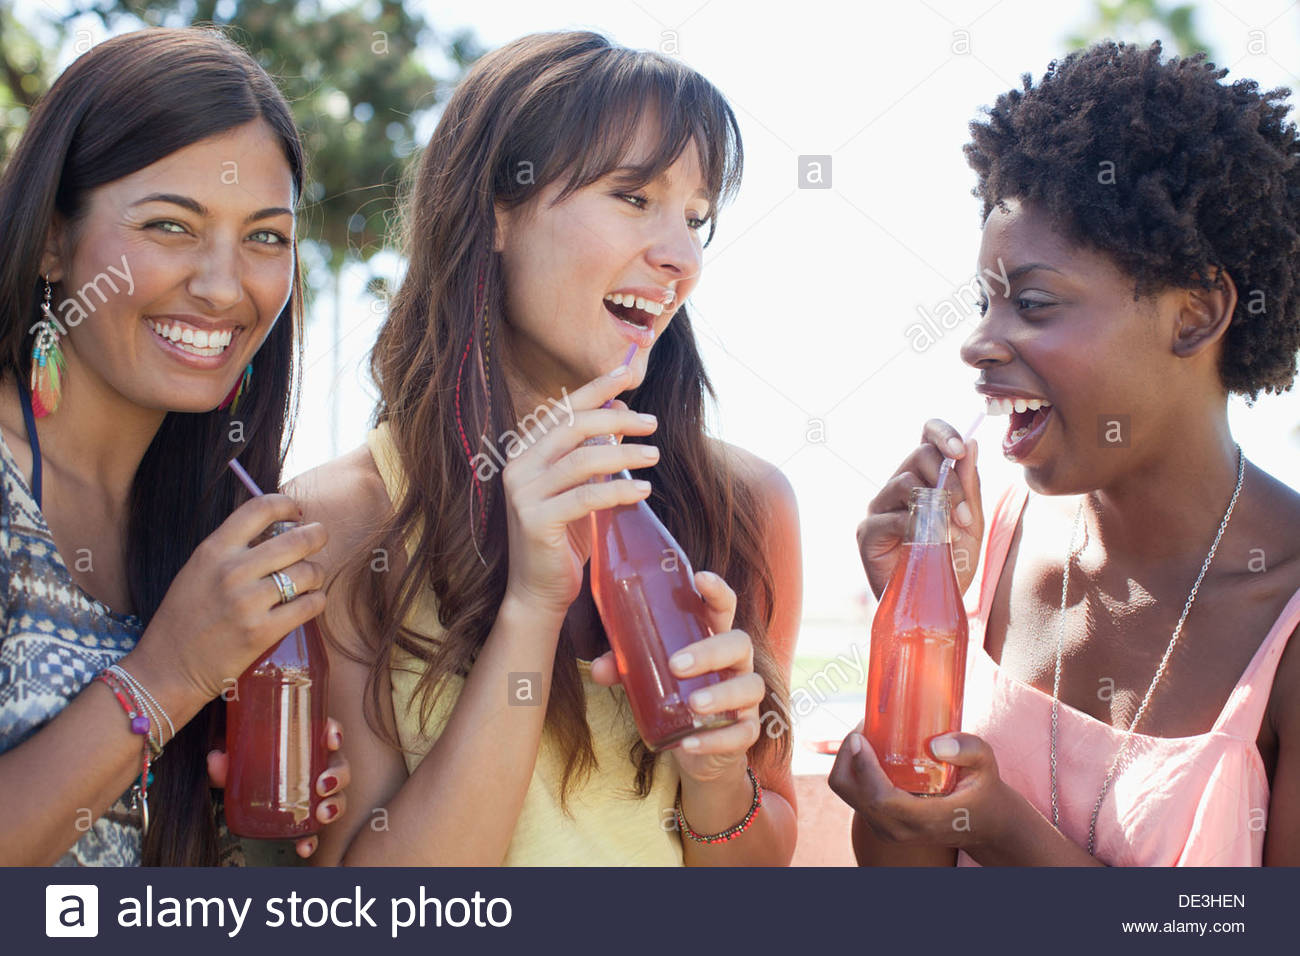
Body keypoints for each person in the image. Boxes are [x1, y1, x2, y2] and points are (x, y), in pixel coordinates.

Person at [292, 31, 801, 866]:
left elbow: (755, 869)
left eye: (697, 217)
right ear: (497, 210)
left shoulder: (744, 504)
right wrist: (529, 609)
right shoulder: (344, 520)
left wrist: (714, 772)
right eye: (634, 198)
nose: (680, 256)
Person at [833, 41, 1300, 866]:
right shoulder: (986, 552)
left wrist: (1005, 832)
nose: (980, 343)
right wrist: (909, 632)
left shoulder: (1283, 612)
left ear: (1194, 315)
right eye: (986, 302)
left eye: (1034, 303)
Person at [0, 28, 350, 866]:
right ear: (53, 238)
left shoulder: (216, 529)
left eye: (266, 237)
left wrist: (259, 815)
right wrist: (166, 680)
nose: (225, 286)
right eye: (170, 225)